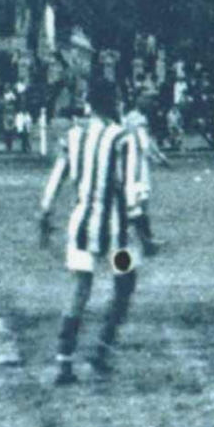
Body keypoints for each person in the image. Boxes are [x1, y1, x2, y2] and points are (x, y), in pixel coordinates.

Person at [38, 79, 143, 385]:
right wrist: (143, 229)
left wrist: (45, 213)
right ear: (112, 102)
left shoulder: (73, 136)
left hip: (82, 229)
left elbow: (56, 178)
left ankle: (64, 362)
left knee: (79, 289)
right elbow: (131, 188)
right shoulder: (123, 137)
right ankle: (102, 350)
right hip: (116, 236)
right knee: (124, 283)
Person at [123, 92, 170, 256]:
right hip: (138, 165)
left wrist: (159, 155)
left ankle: (143, 237)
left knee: (135, 202)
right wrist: (158, 159)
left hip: (128, 162)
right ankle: (146, 239)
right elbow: (145, 144)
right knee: (141, 203)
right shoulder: (140, 121)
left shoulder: (128, 117)